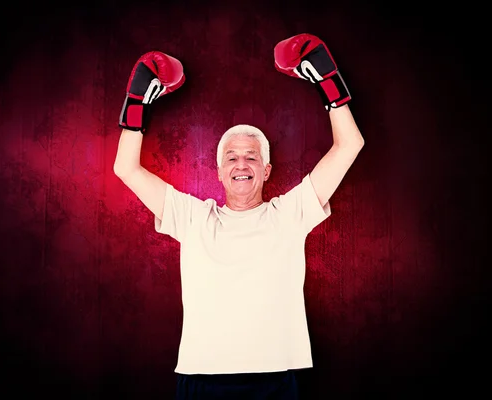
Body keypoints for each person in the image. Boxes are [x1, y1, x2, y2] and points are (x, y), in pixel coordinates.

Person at [113, 33, 365, 400]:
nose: (241, 163)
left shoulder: (289, 214)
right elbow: (126, 168)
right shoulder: (194, 217)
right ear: (218, 171)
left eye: (251, 157)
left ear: (265, 170)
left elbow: (350, 145)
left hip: (275, 378)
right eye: (231, 157)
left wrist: (327, 80)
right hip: (201, 377)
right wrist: (137, 102)